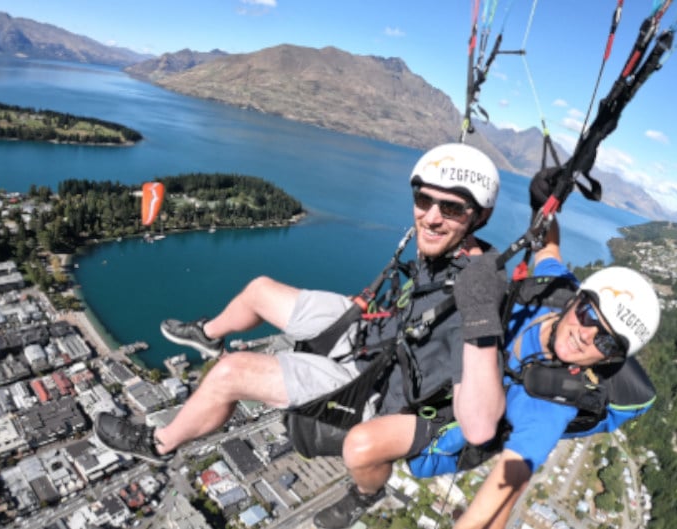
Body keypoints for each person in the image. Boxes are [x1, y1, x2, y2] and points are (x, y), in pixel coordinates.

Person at [93, 143, 508, 516]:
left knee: (229, 374)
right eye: (424, 200)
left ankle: (157, 445)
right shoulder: (454, 248)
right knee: (259, 291)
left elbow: (480, 427)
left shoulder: (478, 296)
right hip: (375, 338)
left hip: (374, 387)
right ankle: (208, 333)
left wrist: (479, 314)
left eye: (451, 208)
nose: (432, 217)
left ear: (480, 216)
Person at [338, 172, 662, 529]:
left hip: (452, 419)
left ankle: (364, 495)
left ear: (612, 358)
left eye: (606, 342)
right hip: (455, 367)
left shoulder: (550, 407)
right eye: (588, 314)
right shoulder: (555, 291)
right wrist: (544, 203)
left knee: (362, 445)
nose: (586, 335)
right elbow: (548, 247)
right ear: (576, 299)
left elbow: (502, 488)